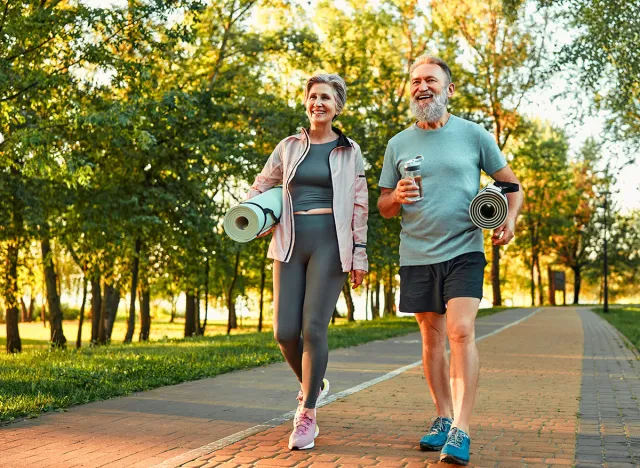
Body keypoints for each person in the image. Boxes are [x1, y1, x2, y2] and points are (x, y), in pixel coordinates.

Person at [377, 55, 523, 466]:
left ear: (449, 89)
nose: (422, 86)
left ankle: (461, 427)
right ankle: (441, 416)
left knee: (459, 332)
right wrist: (395, 198)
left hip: (464, 249)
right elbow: (384, 206)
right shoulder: (397, 144)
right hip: (417, 253)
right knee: (431, 339)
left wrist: (509, 220)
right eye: (415, 81)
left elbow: (512, 186)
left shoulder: (474, 134)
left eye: (431, 80)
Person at [247, 73, 368, 450]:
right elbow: (261, 185)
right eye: (314, 96)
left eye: (326, 98)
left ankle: (308, 412)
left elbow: (361, 204)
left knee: (313, 327)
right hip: (289, 242)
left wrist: (360, 254)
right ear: (306, 102)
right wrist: (255, 214)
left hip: (331, 244)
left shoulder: (350, 150)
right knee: (284, 332)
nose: (319, 103)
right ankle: (313, 382)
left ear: (337, 106)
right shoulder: (288, 147)